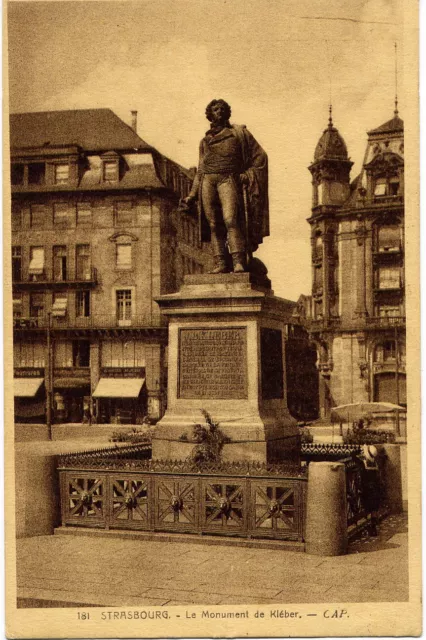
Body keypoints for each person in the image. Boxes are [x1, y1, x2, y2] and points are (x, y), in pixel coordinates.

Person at [182, 99, 269, 273]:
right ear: (210, 114)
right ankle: (220, 262)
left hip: (227, 179)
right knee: (214, 224)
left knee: (231, 220)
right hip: (208, 181)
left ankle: (238, 261)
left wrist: (248, 174)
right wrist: (191, 195)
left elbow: (261, 156)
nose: (219, 111)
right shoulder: (205, 141)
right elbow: (201, 169)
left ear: (227, 112)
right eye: (215, 109)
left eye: (222, 109)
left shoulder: (238, 134)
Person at [361, 444, 381, 536]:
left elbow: (353, 456)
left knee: (368, 508)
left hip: (368, 489)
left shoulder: (364, 464)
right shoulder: (375, 464)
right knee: (374, 509)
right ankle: (374, 527)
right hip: (375, 489)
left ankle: (371, 528)